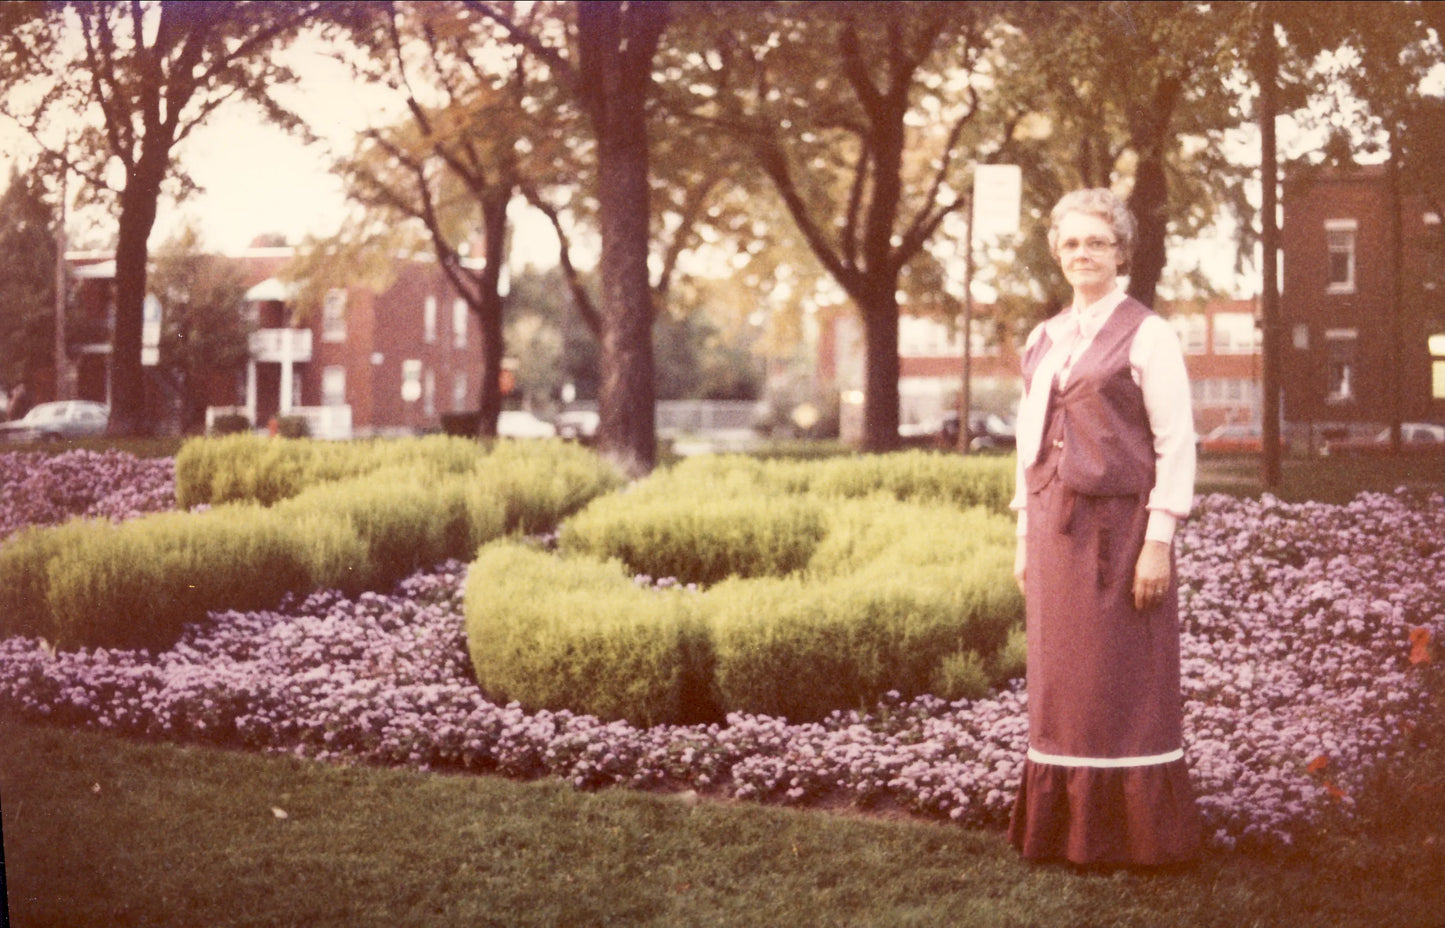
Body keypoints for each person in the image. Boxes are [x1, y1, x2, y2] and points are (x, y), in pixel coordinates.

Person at [1007, 188, 1201, 867]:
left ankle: (1133, 834)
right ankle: (1062, 829)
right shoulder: (1042, 336)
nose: (1081, 254)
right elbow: (1025, 444)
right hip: (1052, 534)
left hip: (1118, 536)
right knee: (1062, 686)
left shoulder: (1147, 332)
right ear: (1056, 256)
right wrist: (1020, 538)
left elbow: (1176, 443)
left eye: (1095, 242)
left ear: (1119, 252)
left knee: (1120, 681)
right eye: (1069, 244)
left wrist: (1158, 542)